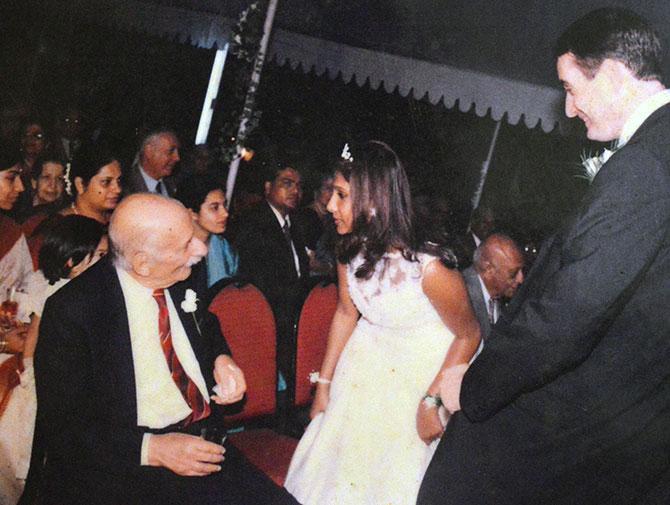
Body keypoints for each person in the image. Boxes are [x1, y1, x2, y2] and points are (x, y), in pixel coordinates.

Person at [418, 8, 670, 504]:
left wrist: (470, 388)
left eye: (571, 88)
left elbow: (568, 317)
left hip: (562, 431)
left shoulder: (644, 166)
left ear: (617, 75)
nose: (570, 109)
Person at [30, 194, 298, 505]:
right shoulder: (74, 310)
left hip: (204, 444)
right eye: (186, 245)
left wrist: (221, 359)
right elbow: (65, 429)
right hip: (128, 467)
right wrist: (153, 449)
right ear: (142, 262)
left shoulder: (177, 274)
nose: (200, 250)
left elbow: (206, 326)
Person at [284, 141, 481, 504]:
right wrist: (324, 385)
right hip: (363, 367)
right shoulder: (348, 248)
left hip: (415, 379)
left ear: (374, 200)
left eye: (341, 195)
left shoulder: (430, 269)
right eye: (331, 194)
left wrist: (430, 401)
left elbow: (468, 334)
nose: (329, 205)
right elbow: (346, 312)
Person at [1, 215, 107, 504]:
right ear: (71, 261)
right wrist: (30, 369)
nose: (106, 263)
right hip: (47, 378)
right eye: (99, 256)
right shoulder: (53, 293)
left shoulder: (97, 293)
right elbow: (34, 335)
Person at [234, 163, 309, 395]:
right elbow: (257, 279)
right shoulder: (254, 223)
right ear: (268, 187)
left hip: (292, 318)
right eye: (287, 184)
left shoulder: (294, 224)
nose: (295, 191)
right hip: (268, 317)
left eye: (298, 186)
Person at [176, 175, 238, 296]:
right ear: (192, 213)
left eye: (224, 205)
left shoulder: (225, 248)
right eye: (215, 208)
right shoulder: (178, 253)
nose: (225, 213)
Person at [462, 233, 524, 339]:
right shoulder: (462, 296)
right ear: (489, 269)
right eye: (513, 273)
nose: (520, 279)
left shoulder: (496, 297)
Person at [59, 143, 123, 224]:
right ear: (80, 185)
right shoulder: (61, 226)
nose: (118, 190)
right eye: (106, 182)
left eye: (118, 181)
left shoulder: (118, 221)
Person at [124, 129, 180, 196]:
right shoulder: (125, 187)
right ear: (149, 151)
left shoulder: (174, 184)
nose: (177, 158)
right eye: (170, 151)